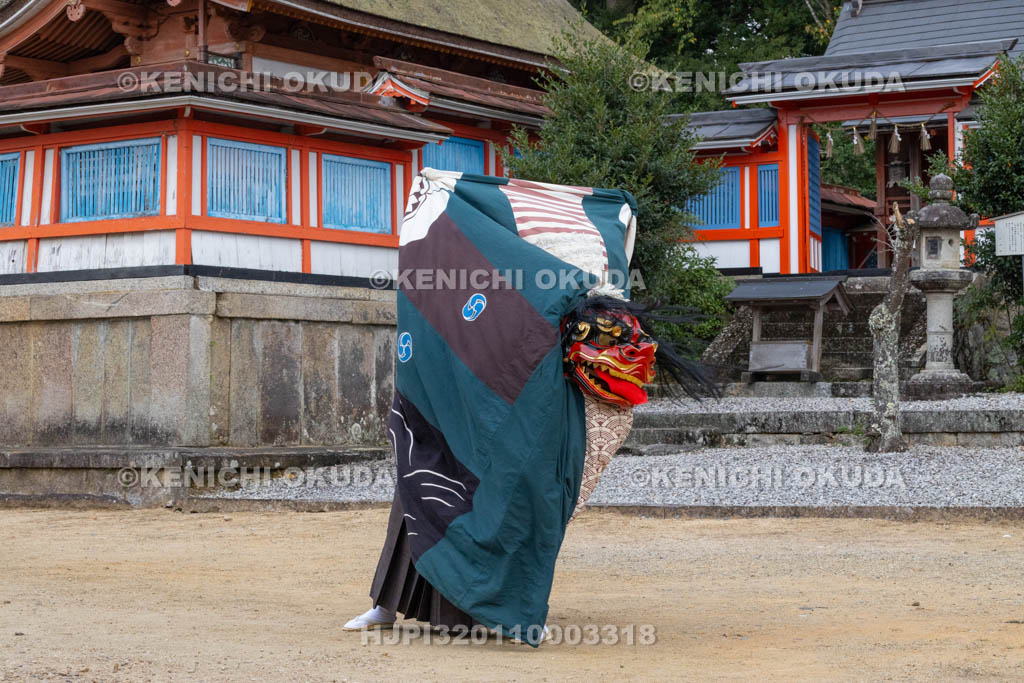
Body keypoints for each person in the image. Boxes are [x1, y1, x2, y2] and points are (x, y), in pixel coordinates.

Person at [343, 171, 711, 643]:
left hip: (547, 402)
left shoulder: (589, 301)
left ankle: (486, 610)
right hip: (476, 390)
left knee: (519, 499)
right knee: (424, 484)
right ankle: (387, 606)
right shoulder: (508, 264)